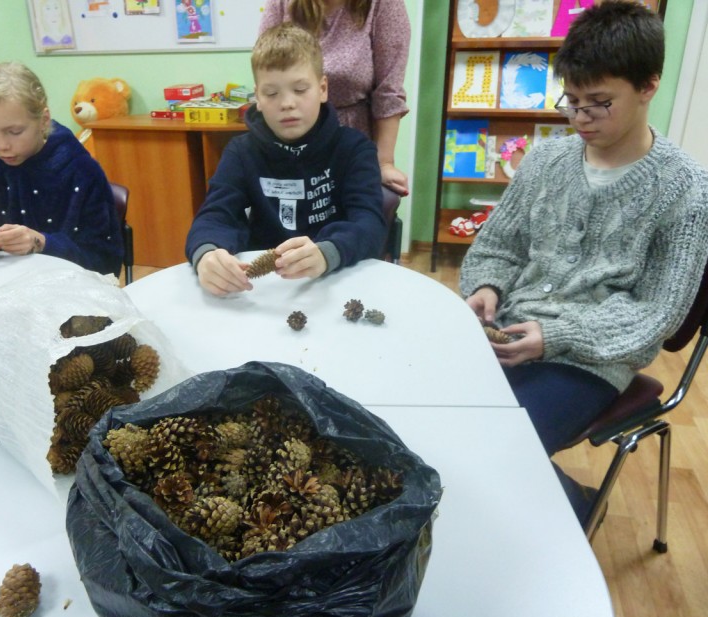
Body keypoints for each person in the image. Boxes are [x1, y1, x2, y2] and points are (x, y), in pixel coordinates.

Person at [459, 1, 708, 528]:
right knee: (433, 413)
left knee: (493, 449)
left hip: (591, 360)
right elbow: (498, 245)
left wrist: (555, 336)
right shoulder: (548, 159)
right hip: (507, 332)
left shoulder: (686, 189)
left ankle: (576, 509)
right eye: (571, 102)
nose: (581, 118)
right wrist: (487, 287)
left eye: (599, 103)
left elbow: (655, 315)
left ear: (648, 87)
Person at [185, 22, 386, 297]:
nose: (287, 103)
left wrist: (328, 251)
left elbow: (369, 225)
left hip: (335, 281)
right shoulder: (241, 152)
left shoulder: (354, 148)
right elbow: (215, 216)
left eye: (300, 89)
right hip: (262, 288)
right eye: (271, 93)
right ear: (257, 96)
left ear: (323, 88)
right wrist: (206, 254)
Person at [0, 62, 123, 276]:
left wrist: (42, 243)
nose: (2, 145)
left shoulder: (81, 170)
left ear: (44, 120)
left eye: (14, 131)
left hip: (68, 295)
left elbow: (105, 264)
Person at [259, 0, 411, 195]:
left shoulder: (382, 4)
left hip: (351, 148)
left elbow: (388, 92)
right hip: (290, 147)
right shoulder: (281, 4)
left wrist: (384, 164)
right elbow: (266, 69)